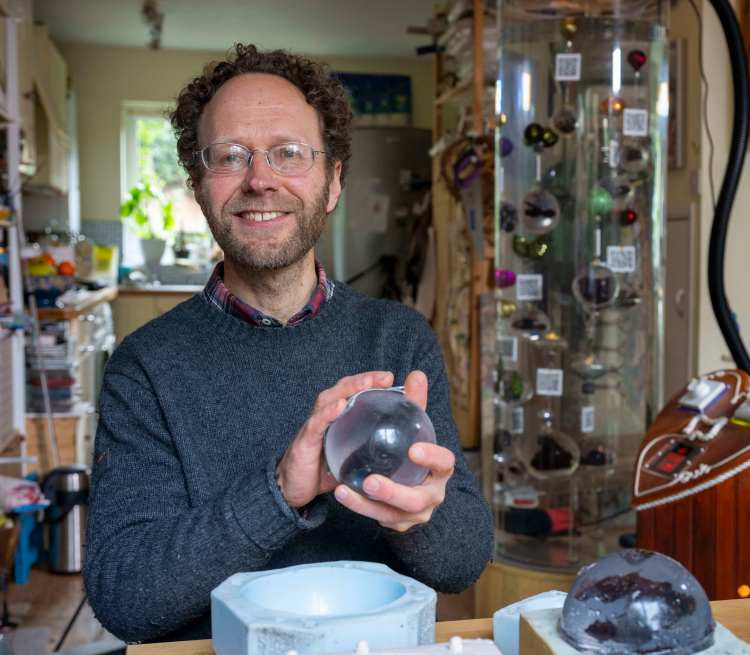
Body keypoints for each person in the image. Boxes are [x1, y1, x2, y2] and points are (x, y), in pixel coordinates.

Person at [83, 44, 493, 644]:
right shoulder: (144, 367)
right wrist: (277, 493)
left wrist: (420, 515)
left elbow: (462, 563)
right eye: (230, 156)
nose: (260, 179)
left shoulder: (397, 339)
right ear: (199, 187)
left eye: (289, 153)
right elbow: (125, 596)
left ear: (332, 183)